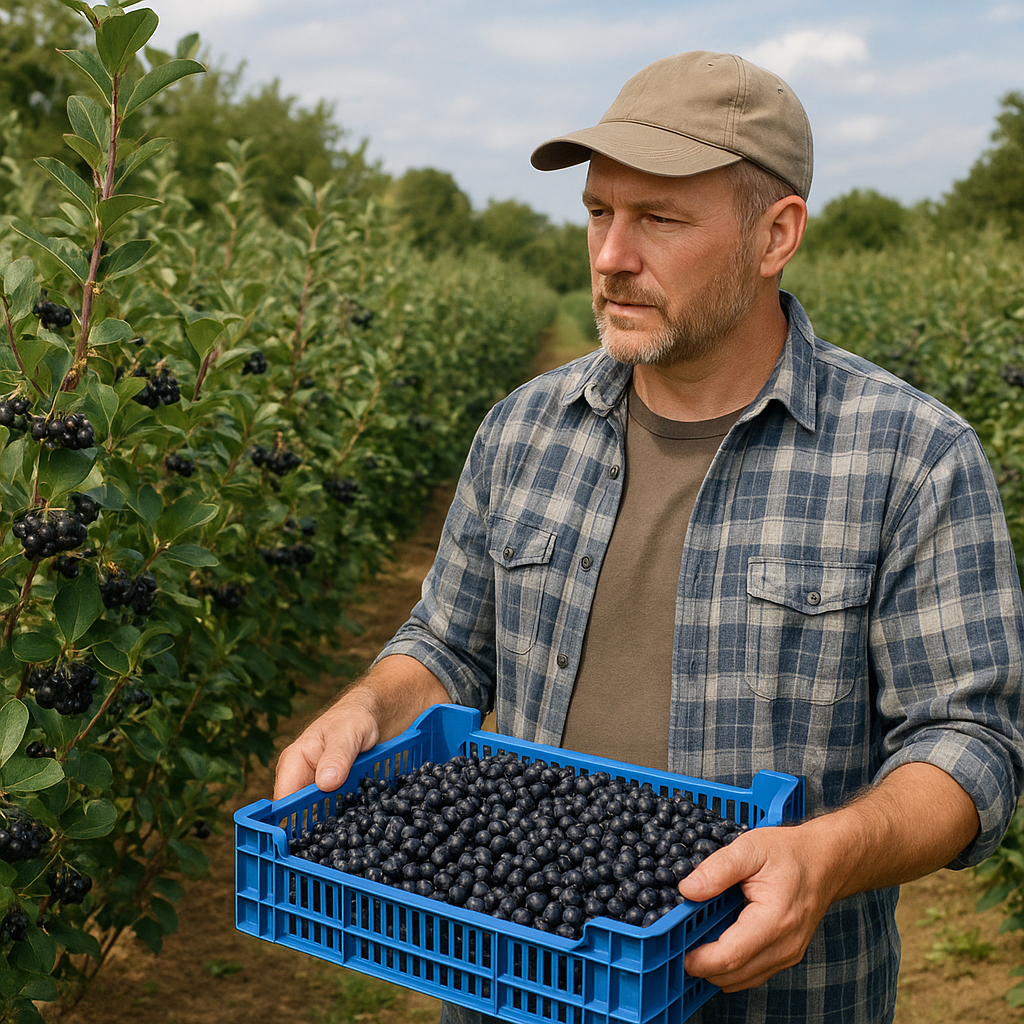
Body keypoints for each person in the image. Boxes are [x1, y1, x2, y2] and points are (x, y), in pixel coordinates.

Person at [274, 51, 1024, 1023]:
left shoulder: (910, 457)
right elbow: (447, 645)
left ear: (774, 234)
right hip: (520, 983)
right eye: (598, 212)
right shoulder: (522, 429)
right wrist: (370, 706)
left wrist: (825, 855)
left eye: (659, 219)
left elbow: (970, 743)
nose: (610, 255)